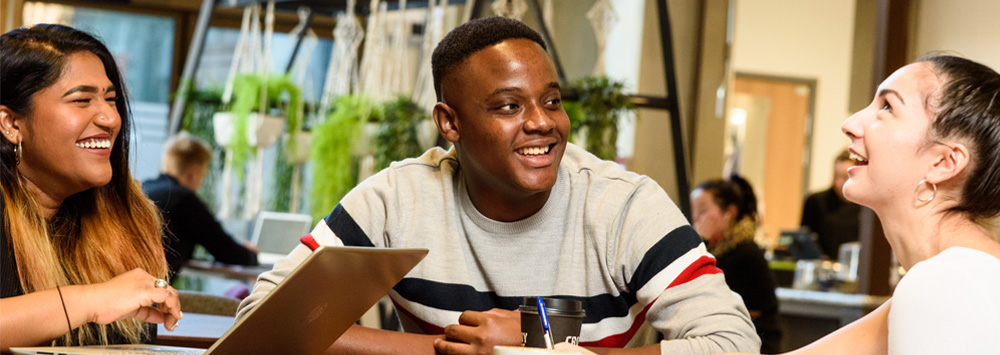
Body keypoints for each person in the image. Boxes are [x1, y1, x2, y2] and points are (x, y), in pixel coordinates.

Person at [237, 17, 759, 355]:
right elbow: (264, 316)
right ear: (450, 123)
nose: (542, 123)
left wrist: (536, 350)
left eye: (551, 101)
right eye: (509, 106)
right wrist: (462, 349)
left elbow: (732, 343)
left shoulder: (623, 205)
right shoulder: (399, 199)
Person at [562, 55, 1000, 355]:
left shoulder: (949, 283)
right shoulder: (938, 280)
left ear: (945, 162)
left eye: (887, 107)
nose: (851, 123)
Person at [0, 24, 182, 350]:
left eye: (111, 99)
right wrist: (95, 300)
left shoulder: (127, 219)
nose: (110, 118)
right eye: (82, 100)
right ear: (12, 124)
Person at [142, 131, 258, 280]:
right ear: (193, 173)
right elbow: (225, 250)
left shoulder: (143, 188)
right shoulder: (183, 199)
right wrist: (251, 255)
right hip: (148, 296)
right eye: (203, 176)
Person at [690, 176, 781, 353]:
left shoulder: (744, 252)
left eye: (702, 211)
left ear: (729, 213)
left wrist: (702, 241)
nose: (695, 218)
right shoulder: (720, 249)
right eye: (693, 211)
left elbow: (697, 287)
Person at [800, 148, 862, 258]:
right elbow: (804, 238)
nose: (838, 183)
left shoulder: (865, 207)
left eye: (844, 177)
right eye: (836, 176)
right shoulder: (816, 201)